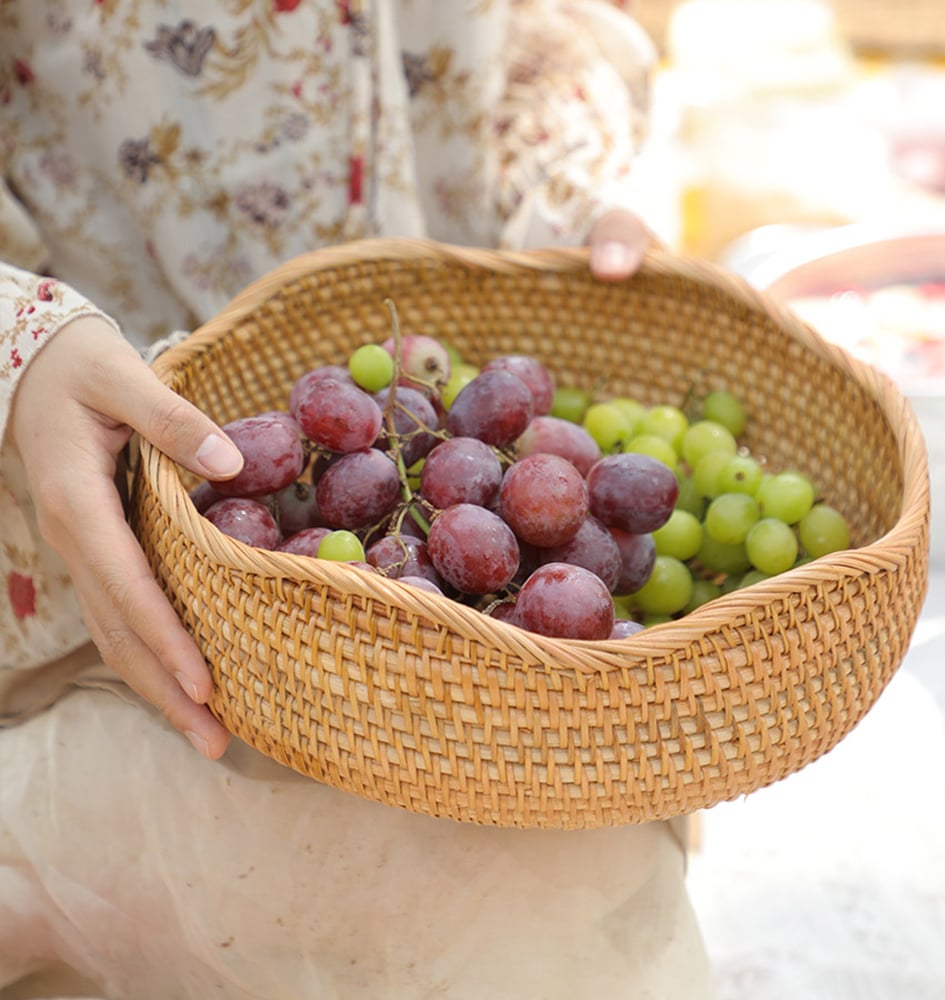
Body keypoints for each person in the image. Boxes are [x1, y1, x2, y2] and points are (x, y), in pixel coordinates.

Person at [0, 2, 714, 997]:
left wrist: (571, 165)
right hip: (95, 595)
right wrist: (19, 351)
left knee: (543, 890)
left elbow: (544, 27)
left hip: (470, 666)